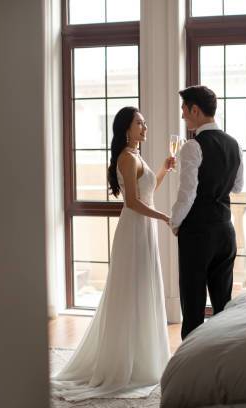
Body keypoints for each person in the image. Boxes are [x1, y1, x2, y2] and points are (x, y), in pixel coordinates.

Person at [51, 106, 174, 401]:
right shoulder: (127, 158)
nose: (144, 128)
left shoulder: (136, 156)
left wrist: (163, 170)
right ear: (126, 129)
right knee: (131, 290)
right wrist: (166, 218)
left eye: (144, 123)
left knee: (142, 288)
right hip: (134, 230)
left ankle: (144, 358)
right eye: (139, 124)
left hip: (142, 229)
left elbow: (147, 192)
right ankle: (126, 361)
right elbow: (132, 202)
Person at [169, 85, 244, 340]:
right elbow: (237, 186)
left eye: (184, 110)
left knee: (193, 303)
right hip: (225, 230)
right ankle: (222, 359)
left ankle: (189, 367)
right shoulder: (235, 144)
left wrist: (175, 222)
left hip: (198, 233)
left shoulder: (193, 146)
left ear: (195, 110)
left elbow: (187, 193)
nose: (183, 116)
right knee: (223, 302)